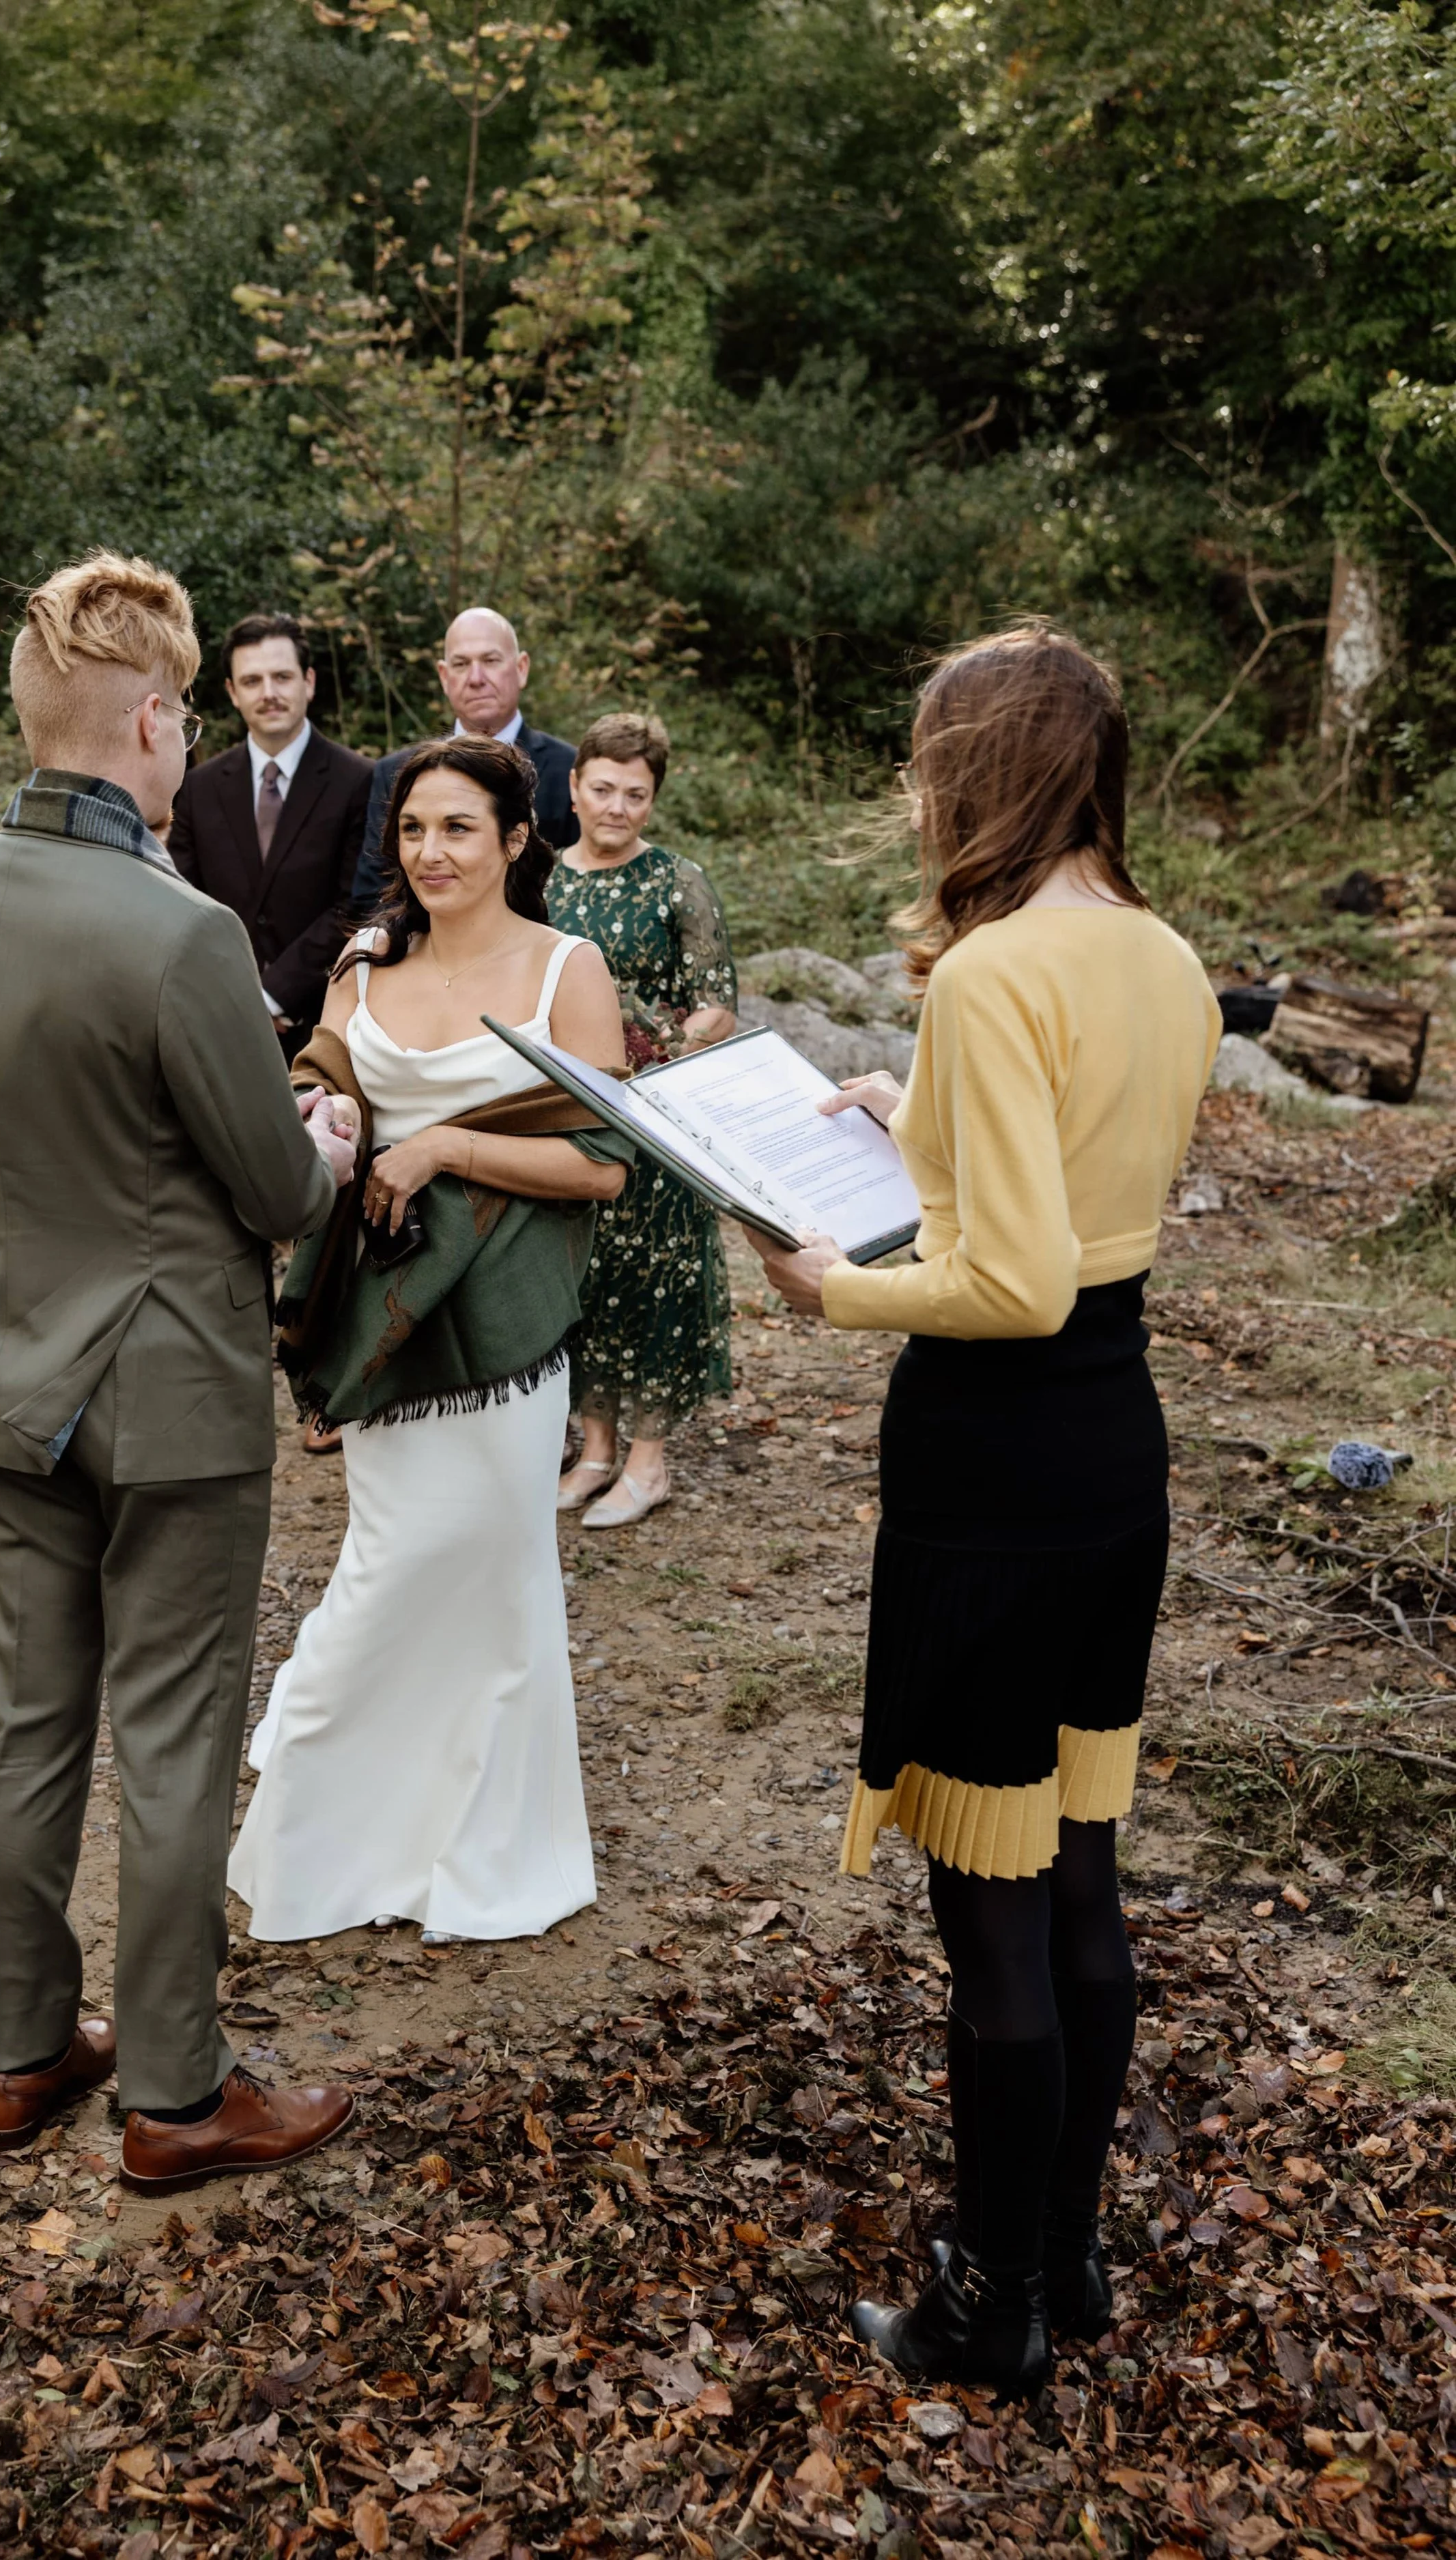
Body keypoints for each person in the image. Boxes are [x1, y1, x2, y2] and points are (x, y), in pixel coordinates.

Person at [747, 626, 1221, 2394]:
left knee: (993, 1912)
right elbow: (1065, 1188)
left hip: (994, 1461)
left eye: (933, 760)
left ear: (986, 770)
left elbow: (1006, 1279)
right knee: (1076, 1873)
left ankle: (987, 2301)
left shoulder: (988, 969)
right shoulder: (1162, 956)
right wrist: (910, 1123)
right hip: (1116, 1442)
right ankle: (1071, 2248)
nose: (921, 793)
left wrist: (829, 1289)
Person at [0, 550, 362, 2196]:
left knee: (26, 1708)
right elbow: (281, 1193)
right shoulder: (184, 931)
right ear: (160, 721)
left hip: (11, 1365)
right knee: (172, 1733)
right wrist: (324, 1133)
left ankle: (22, 2051)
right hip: (167, 1389)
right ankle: (175, 2087)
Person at [227, 735, 633, 1946]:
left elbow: (604, 1167)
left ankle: (487, 1846)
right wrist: (332, 1112)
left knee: (494, 1572)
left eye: (459, 828)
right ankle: (340, 1831)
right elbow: (318, 1092)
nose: (432, 852)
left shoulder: (570, 969)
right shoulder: (365, 961)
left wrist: (448, 1146)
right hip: (391, 1320)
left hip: (501, 1333)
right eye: (413, 830)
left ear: (517, 840)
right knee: (395, 1561)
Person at [544, 713, 738, 1526]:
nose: (618, 807)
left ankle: (648, 1462)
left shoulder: (676, 882)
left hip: (655, 1110)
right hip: (567, 1106)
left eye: (636, 794)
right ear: (574, 787)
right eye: (603, 789)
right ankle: (593, 1450)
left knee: (658, 1276)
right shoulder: (543, 882)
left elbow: (717, 1008)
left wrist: (646, 1055)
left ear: (652, 800)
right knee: (586, 1274)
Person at [168, 612, 373, 1054]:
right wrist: (238, 998)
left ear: (309, 682)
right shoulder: (197, 788)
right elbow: (182, 903)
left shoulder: (360, 781)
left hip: (324, 1027)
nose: (269, 694)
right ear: (232, 693)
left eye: (282, 677)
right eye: (252, 681)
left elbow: (357, 904)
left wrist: (272, 995)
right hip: (216, 1020)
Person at [352, 607, 579, 911]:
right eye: (461, 664)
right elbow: (373, 894)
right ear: (444, 677)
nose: (476, 678)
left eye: (490, 661)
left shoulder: (570, 770)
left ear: (521, 668)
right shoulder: (394, 773)